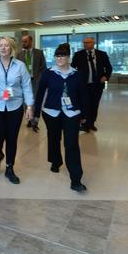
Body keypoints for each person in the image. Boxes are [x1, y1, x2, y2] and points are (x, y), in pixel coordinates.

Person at [34, 43, 87, 192]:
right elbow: (40, 94)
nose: (59, 58)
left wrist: (84, 116)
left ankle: (76, 179)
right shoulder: (48, 73)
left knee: (71, 144)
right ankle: (56, 161)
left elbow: (83, 96)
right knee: (53, 138)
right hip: (51, 112)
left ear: (68, 57)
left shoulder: (77, 75)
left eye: (62, 55)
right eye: (57, 55)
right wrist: (36, 115)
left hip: (72, 113)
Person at [0, 37, 34, 185]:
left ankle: (10, 168)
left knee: (12, 139)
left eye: (6, 45)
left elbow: (27, 87)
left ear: (12, 48)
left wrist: (29, 107)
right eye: (1, 46)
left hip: (15, 107)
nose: (3, 48)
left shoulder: (20, 66)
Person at [71, 37, 112, 132]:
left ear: (93, 43)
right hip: (84, 85)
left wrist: (105, 77)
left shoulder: (102, 54)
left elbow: (109, 68)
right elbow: (73, 68)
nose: (85, 44)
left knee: (94, 104)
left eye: (88, 42)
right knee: (84, 104)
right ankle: (85, 124)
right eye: (84, 42)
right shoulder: (78, 55)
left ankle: (91, 123)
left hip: (97, 85)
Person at [16, 34, 46, 129]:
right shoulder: (19, 54)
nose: (23, 43)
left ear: (31, 42)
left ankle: (35, 121)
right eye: (22, 41)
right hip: (24, 82)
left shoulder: (39, 53)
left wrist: (40, 79)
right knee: (26, 101)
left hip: (35, 81)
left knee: (35, 101)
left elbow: (43, 67)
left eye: (25, 41)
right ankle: (29, 118)